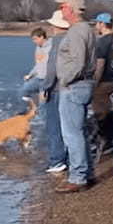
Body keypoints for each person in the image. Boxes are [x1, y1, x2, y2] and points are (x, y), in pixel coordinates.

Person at [51, 0, 97, 193]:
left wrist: (64, 80)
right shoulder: (85, 29)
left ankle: (78, 177)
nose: (61, 9)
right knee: (80, 132)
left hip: (74, 86)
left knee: (72, 134)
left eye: (62, 6)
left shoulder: (78, 31)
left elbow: (78, 62)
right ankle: (87, 173)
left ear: (70, 8)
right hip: (82, 85)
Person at [40, 11, 70, 173]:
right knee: (71, 127)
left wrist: (46, 87)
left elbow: (52, 67)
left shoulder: (58, 41)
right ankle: (71, 159)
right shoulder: (75, 38)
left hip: (58, 89)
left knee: (54, 126)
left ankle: (57, 160)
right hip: (72, 87)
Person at [91, 12, 113, 157]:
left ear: (102, 24)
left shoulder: (103, 41)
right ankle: (111, 139)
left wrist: (94, 83)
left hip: (103, 82)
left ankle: (104, 142)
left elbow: (100, 64)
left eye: (97, 23)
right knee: (110, 112)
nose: (96, 26)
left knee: (100, 114)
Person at [20, 28, 51, 103]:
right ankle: (32, 108)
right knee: (23, 91)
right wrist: (30, 75)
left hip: (47, 79)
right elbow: (38, 64)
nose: (34, 41)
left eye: (35, 39)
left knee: (44, 101)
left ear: (42, 37)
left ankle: (40, 110)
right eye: (33, 39)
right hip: (38, 77)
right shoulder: (38, 48)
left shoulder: (52, 47)